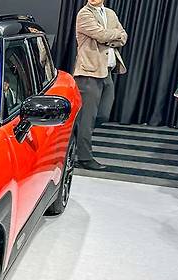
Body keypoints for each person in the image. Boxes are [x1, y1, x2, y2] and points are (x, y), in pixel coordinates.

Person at [73, 0, 127, 171]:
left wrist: (112, 37)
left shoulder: (110, 13)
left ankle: (75, 136)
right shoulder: (84, 14)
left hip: (106, 71)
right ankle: (84, 158)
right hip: (89, 73)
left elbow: (123, 37)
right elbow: (102, 35)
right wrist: (114, 35)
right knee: (87, 119)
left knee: (103, 115)